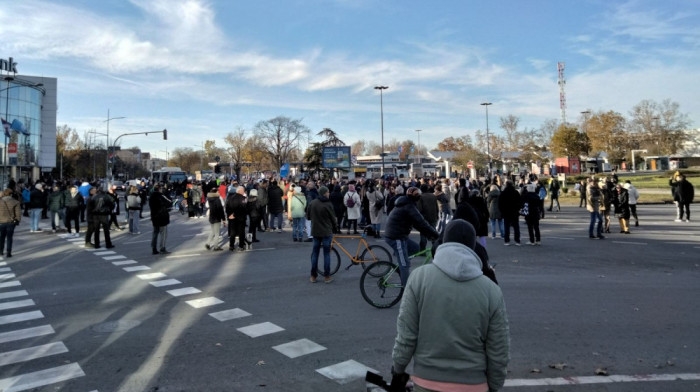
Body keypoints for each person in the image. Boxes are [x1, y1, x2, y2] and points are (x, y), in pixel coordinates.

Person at [391, 219, 510, 392]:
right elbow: (499, 349)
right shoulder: (491, 290)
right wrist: (494, 385)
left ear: (444, 242)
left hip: (427, 382)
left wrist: (398, 369)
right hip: (474, 383)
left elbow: (406, 335)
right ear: (473, 246)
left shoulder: (419, 278)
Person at [383, 187, 439, 287]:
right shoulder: (409, 206)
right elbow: (422, 222)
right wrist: (436, 235)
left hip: (399, 235)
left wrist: (430, 235)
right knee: (405, 265)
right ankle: (406, 290)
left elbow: (417, 224)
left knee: (416, 249)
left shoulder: (406, 203)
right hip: (396, 237)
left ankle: (402, 266)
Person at [306, 186, 338, 283]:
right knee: (326, 254)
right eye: (328, 192)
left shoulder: (312, 203)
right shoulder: (328, 204)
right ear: (324, 193)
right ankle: (327, 276)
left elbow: (308, 216)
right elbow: (333, 218)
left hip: (315, 231)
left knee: (315, 253)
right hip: (326, 231)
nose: (329, 193)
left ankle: (313, 276)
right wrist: (335, 227)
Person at [498, 180, 522, 246]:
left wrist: (502, 211)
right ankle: (517, 240)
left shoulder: (503, 193)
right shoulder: (516, 192)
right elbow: (520, 202)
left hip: (506, 212)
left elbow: (500, 203)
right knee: (516, 227)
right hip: (514, 212)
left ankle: (507, 241)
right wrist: (518, 209)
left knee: (506, 227)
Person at [149, 184, 171, 254]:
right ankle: (162, 247)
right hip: (162, 216)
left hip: (154, 216)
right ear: (159, 189)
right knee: (163, 233)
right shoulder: (161, 196)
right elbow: (169, 202)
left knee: (155, 233)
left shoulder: (151, 196)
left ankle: (154, 248)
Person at [416, 185, 439, 251]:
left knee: (423, 234)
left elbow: (419, 208)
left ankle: (422, 250)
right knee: (433, 232)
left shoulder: (421, 197)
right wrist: (436, 216)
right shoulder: (433, 196)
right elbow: (436, 207)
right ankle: (435, 248)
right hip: (433, 216)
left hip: (424, 218)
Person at [0, 189, 21, 258]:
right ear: (11, 194)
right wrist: (17, 221)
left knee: (1, 237)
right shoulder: (15, 202)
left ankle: (1, 251)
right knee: (9, 237)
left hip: (1, 222)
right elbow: (18, 213)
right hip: (11, 222)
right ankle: (9, 252)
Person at [226, 186, 248, 251]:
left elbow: (227, 207)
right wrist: (235, 214)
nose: (244, 192)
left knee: (232, 232)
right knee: (241, 232)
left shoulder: (230, 198)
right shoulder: (243, 198)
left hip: (232, 218)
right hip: (240, 218)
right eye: (243, 190)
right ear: (240, 191)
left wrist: (229, 215)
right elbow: (243, 208)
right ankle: (241, 245)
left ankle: (231, 245)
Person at [205, 186, 226, 251]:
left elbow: (207, 206)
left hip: (212, 217)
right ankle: (216, 246)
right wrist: (223, 218)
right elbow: (220, 209)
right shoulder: (217, 199)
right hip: (217, 217)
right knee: (217, 233)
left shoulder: (209, 199)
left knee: (213, 231)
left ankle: (208, 243)